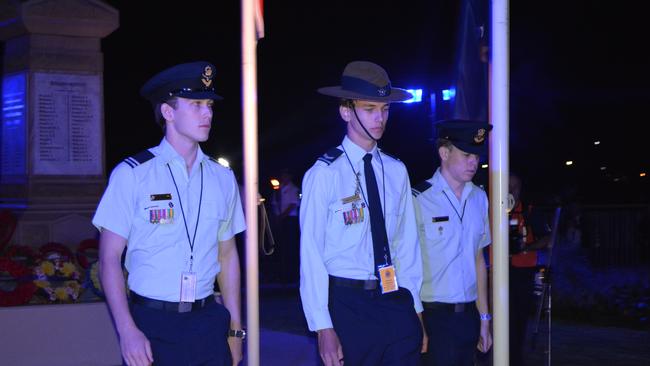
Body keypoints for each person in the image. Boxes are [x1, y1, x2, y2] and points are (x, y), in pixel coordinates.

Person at [93, 61, 246, 366]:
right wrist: (127, 331)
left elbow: (227, 255)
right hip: (152, 325)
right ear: (168, 112)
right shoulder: (133, 175)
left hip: (208, 323)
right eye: (196, 104)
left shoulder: (222, 178)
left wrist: (235, 330)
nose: (207, 114)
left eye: (209, 105)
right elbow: (109, 258)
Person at [300, 60, 424, 366]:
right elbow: (311, 254)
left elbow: (407, 246)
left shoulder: (396, 170)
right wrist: (322, 325)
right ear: (346, 111)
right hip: (347, 304)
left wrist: (416, 310)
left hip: (395, 300)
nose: (380, 118)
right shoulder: (324, 174)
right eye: (369, 109)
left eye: (384, 109)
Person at [411, 120, 493, 366]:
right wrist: (417, 321)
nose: (473, 162)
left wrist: (485, 318)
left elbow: (479, 260)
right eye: (466, 154)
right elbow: (407, 267)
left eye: (476, 156)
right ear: (444, 153)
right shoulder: (419, 199)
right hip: (433, 315)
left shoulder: (479, 198)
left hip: (468, 314)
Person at [508, 172, 552, 366]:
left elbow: (547, 238)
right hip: (497, 273)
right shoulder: (489, 210)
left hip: (522, 274)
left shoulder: (529, 211)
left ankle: (515, 359)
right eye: (507, 186)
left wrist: (526, 247)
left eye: (515, 187)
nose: (510, 191)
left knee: (518, 322)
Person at [275, 168, 300, 283]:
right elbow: (274, 203)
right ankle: (282, 273)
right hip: (281, 219)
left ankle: (291, 274)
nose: (283, 177)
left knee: (290, 247)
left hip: (289, 220)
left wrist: (282, 216)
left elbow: (292, 204)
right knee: (281, 247)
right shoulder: (279, 188)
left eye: (286, 175)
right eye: (282, 175)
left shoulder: (293, 189)